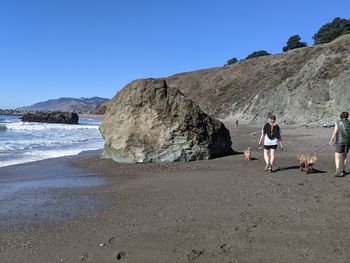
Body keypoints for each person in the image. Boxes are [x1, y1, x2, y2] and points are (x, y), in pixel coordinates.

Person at [329, 111, 350, 177]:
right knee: (344, 155)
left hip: (339, 141)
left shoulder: (337, 122)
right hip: (347, 141)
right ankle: (343, 170)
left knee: (337, 155)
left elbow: (335, 132)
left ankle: (338, 170)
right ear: (347, 116)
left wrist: (331, 140)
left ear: (341, 116)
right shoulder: (349, 123)